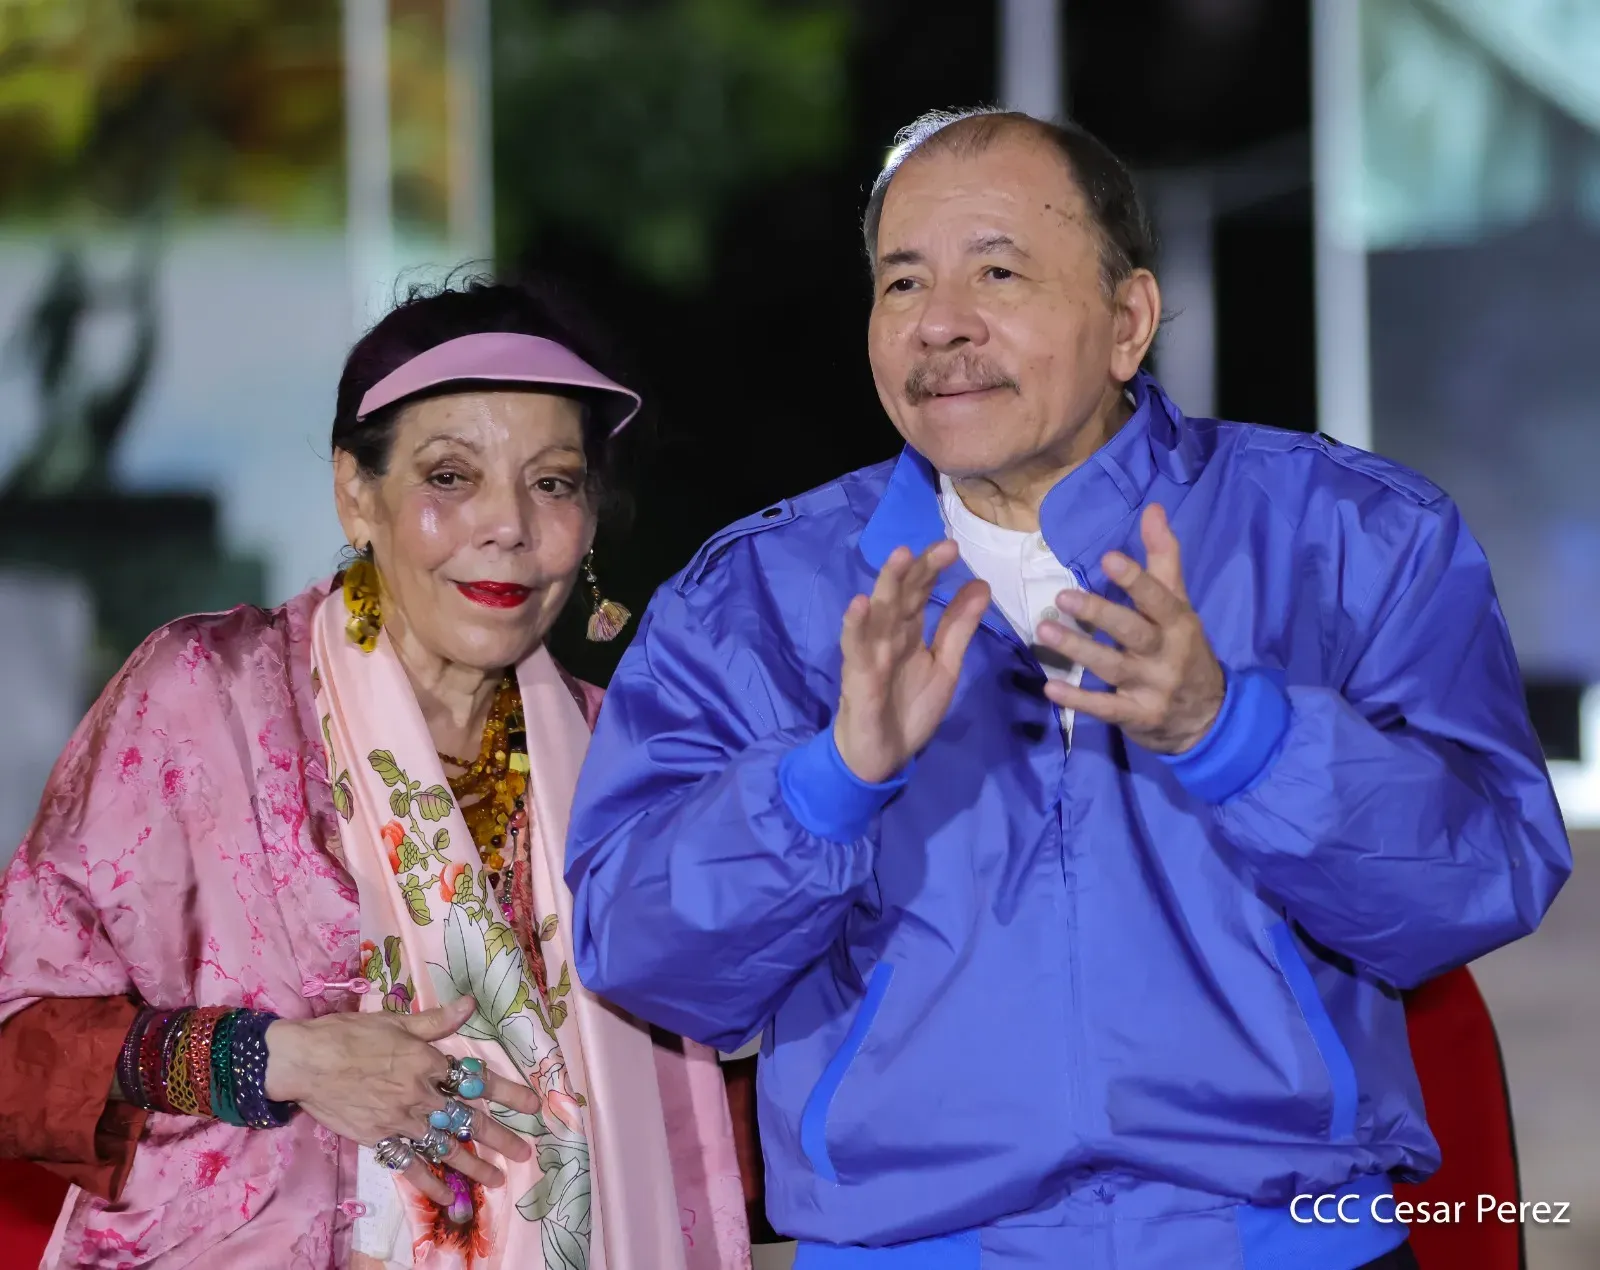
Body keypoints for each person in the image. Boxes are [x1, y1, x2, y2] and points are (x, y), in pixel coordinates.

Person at [564, 108, 1573, 1270]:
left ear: (1126, 319)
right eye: (901, 284)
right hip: (913, 1247)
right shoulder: (760, 597)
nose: (940, 324)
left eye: (997, 271)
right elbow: (643, 954)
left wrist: (1235, 735)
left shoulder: (1348, 537)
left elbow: (1481, 879)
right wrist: (824, 787)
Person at [0, 277, 752, 1269]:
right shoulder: (209, 699)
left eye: (554, 481)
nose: (508, 525)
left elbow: (717, 1105)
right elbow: (20, 1037)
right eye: (449, 476)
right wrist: (276, 1059)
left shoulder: (625, 755)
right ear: (357, 492)